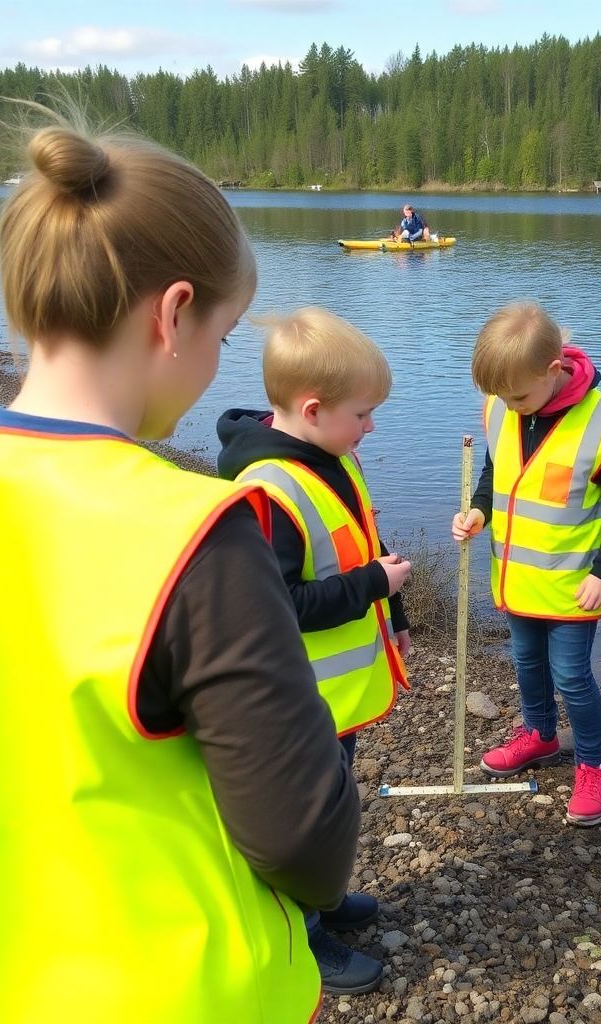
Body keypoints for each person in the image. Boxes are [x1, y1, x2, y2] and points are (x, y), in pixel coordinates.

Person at [0, 113, 360, 1024]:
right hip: (172, 989)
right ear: (173, 314)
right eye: (224, 334)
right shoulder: (196, 533)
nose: (218, 366)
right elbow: (304, 842)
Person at [217, 306, 412, 995]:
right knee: (301, 824)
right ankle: (303, 936)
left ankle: (325, 901)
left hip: (335, 697)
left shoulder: (327, 458)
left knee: (335, 805)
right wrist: (371, 586)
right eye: (362, 414)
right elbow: (279, 606)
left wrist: (396, 608)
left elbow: (359, 542)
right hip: (299, 704)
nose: (371, 427)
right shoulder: (267, 490)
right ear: (310, 409)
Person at [451, 301, 601, 826]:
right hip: (518, 581)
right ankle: (538, 734)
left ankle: (593, 763)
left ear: (553, 372)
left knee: (571, 676)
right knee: (526, 663)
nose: (510, 407)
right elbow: (497, 475)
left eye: (519, 395)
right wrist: (477, 511)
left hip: (574, 586)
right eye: (502, 396)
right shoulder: (502, 408)